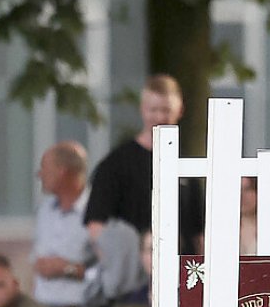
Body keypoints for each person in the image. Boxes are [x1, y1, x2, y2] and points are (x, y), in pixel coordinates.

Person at [83, 73, 204, 257]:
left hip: (182, 271)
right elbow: (96, 224)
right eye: (153, 109)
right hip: (131, 276)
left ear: (180, 110)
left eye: (166, 110)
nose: (160, 117)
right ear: (142, 109)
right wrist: (118, 268)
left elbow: (198, 231)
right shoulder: (116, 164)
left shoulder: (187, 166)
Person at [32, 142, 92, 307]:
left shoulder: (98, 211)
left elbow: (113, 271)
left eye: (44, 168)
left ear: (62, 171)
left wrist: (68, 269)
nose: (39, 175)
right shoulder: (45, 211)